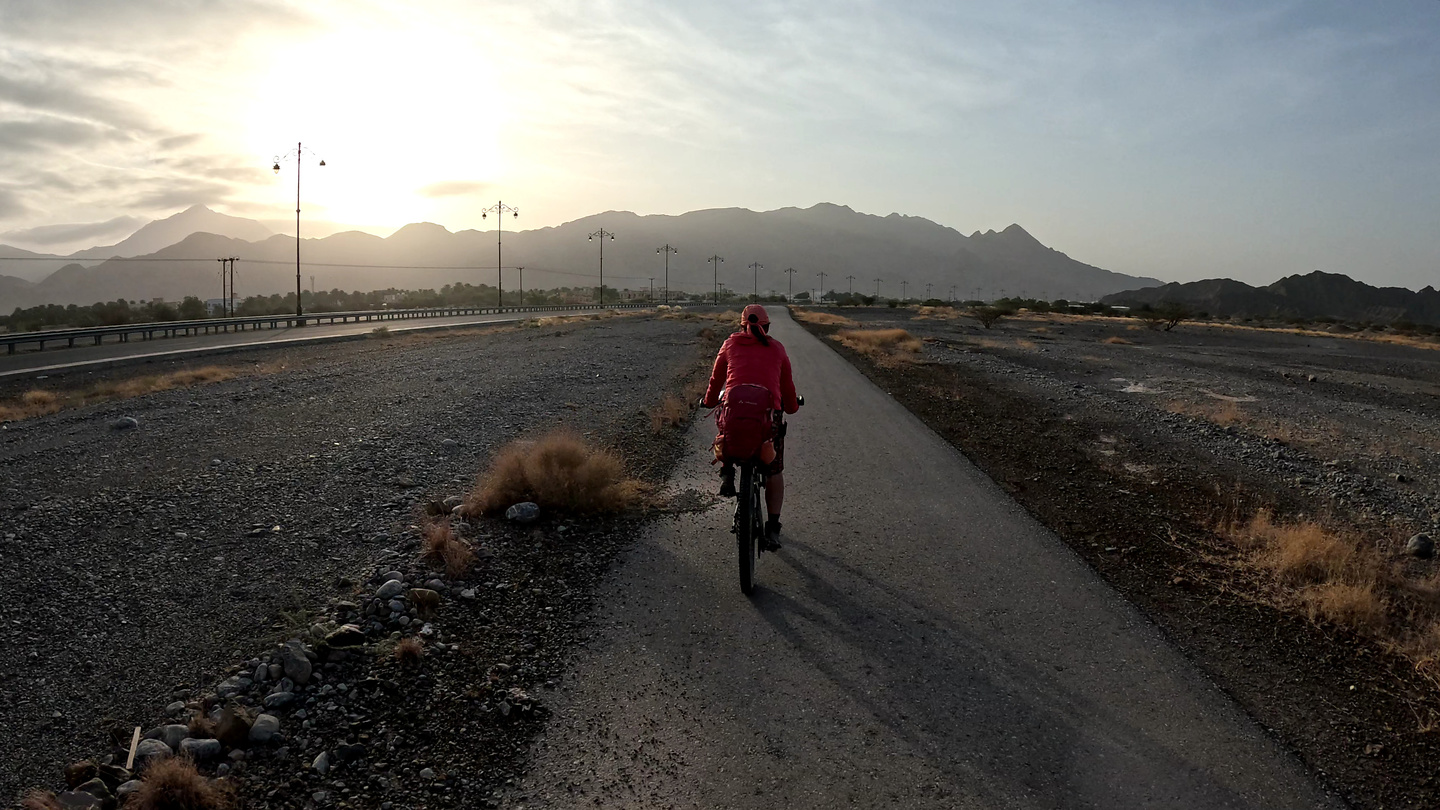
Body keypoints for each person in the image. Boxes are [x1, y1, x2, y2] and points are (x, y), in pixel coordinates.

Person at [702, 304, 800, 548]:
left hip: (735, 413)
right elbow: (787, 388)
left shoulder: (729, 344)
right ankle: (773, 527)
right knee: (774, 471)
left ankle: (726, 470)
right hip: (768, 419)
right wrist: (791, 407)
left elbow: (716, 380)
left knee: (725, 426)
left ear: (741, 325)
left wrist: (708, 401)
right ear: (767, 326)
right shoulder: (777, 348)